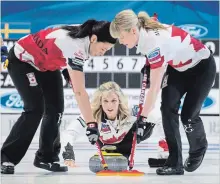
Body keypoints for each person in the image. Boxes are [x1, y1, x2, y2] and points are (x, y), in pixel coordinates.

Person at [1, 20, 117, 174]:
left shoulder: (85, 34)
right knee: (35, 108)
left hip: (47, 64)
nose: (103, 53)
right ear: (94, 38)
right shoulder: (76, 48)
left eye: (107, 50)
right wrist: (91, 124)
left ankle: (46, 157)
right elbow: (80, 92)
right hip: (22, 61)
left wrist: (64, 68)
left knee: (56, 110)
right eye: (103, 48)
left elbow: (52, 36)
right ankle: (6, 157)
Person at [110, 10, 216, 175]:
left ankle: (198, 148)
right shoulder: (142, 31)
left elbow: (154, 88)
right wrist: (149, 64)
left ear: (132, 30)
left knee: (188, 116)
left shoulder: (153, 43)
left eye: (121, 37)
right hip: (178, 68)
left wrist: (142, 118)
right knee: (167, 109)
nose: (120, 41)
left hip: (202, 68)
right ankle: (175, 162)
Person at [60, 81, 167, 168]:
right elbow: (70, 132)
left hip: (130, 139)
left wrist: (164, 150)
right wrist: (68, 156)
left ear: (119, 100)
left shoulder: (133, 111)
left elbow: (159, 117)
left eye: (113, 100)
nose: (109, 105)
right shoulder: (91, 115)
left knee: (152, 117)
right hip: (106, 145)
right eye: (105, 101)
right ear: (100, 101)